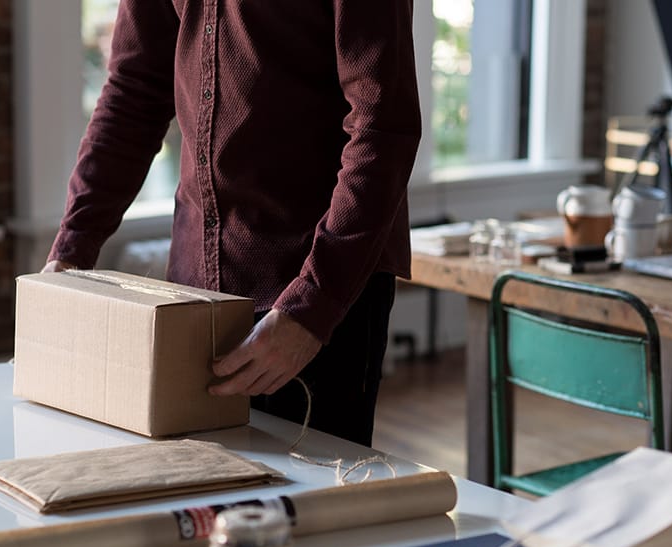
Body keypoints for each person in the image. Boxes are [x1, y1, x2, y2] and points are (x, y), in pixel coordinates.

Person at [42, 1, 422, 447]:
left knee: (310, 509)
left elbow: (383, 128)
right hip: (192, 293)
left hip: (315, 293)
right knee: (195, 501)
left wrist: (311, 308)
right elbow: (133, 92)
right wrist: (70, 252)